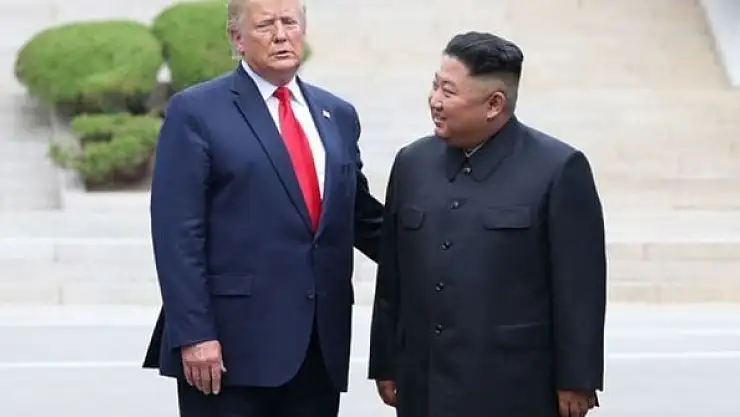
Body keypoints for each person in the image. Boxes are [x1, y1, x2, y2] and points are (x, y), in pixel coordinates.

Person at [141, 0, 384, 415]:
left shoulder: (337, 115)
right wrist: (194, 333)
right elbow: (177, 233)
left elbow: (359, 216)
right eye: (266, 25)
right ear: (237, 38)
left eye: (290, 22)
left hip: (318, 346)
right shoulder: (197, 111)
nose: (281, 34)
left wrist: (439, 250)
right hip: (230, 349)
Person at [367, 31, 607, 417]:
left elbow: (579, 288)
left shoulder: (557, 169)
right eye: (435, 85)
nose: (435, 100)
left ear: (494, 104)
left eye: (448, 91)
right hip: (424, 383)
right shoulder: (412, 163)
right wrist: (386, 361)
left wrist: (577, 378)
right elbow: (393, 276)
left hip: (515, 384)